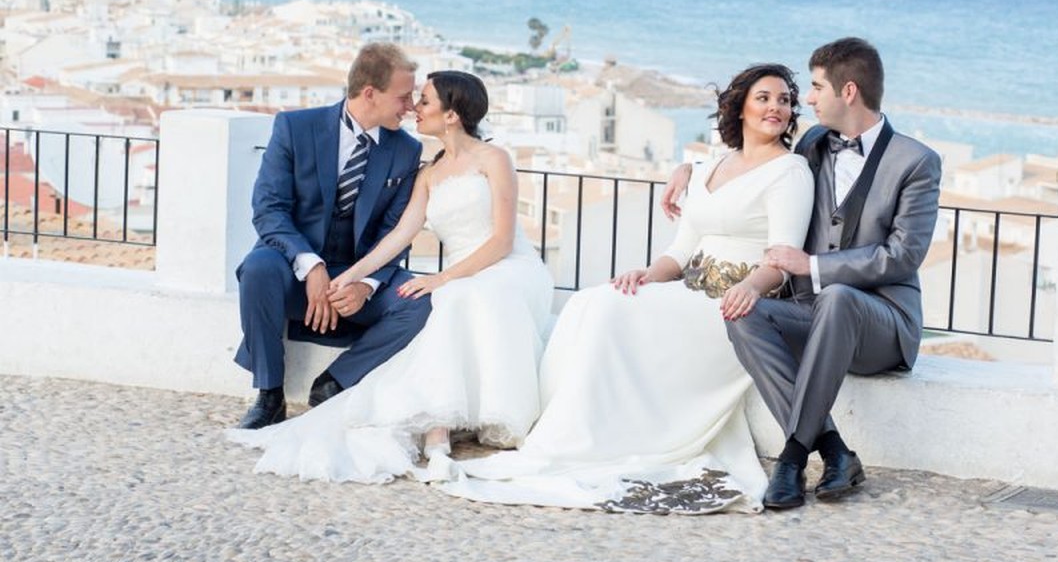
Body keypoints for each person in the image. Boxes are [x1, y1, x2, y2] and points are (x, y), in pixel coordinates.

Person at [434, 64, 814, 514]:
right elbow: (681, 251)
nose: (776, 107)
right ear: (741, 106)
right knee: (593, 302)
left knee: (613, 316)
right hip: (691, 289)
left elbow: (782, 257)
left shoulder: (790, 172)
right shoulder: (710, 167)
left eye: (785, 100)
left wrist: (749, 289)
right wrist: (647, 274)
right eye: (764, 98)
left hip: (737, 306)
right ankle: (553, 433)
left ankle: (582, 440)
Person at [227, 70, 554, 483]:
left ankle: (445, 424)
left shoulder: (495, 159)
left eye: (425, 101)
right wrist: (352, 278)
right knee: (449, 297)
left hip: (506, 267)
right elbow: (400, 234)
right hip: (461, 274)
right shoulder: (428, 172)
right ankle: (436, 428)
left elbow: (502, 241)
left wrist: (441, 279)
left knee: (450, 298)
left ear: (451, 115)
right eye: (412, 99)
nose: (414, 107)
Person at [662, 37, 942, 509]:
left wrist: (811, 266)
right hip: (811, 315)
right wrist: (687, 169)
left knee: (837, 297)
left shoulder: (916, 162)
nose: (806, 100)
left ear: (847, 91)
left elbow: (902, 257)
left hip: (883, 325)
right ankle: (833, 450)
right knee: (744, 313)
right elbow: (752, 156)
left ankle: (791, 458)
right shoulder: (814, 144)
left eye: (814, 88)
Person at [232, 42, 431, 430]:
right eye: (403, 97)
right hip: (294, 265)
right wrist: (311, 266)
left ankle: (334, 383)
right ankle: (269, 394)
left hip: (359, 272)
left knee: (417, 303)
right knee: (257, 269)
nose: (410, 107)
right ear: (370, 93)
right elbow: (269, 209)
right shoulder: (295, 127)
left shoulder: (407, 150)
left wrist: (366, 284)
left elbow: (395, 233)